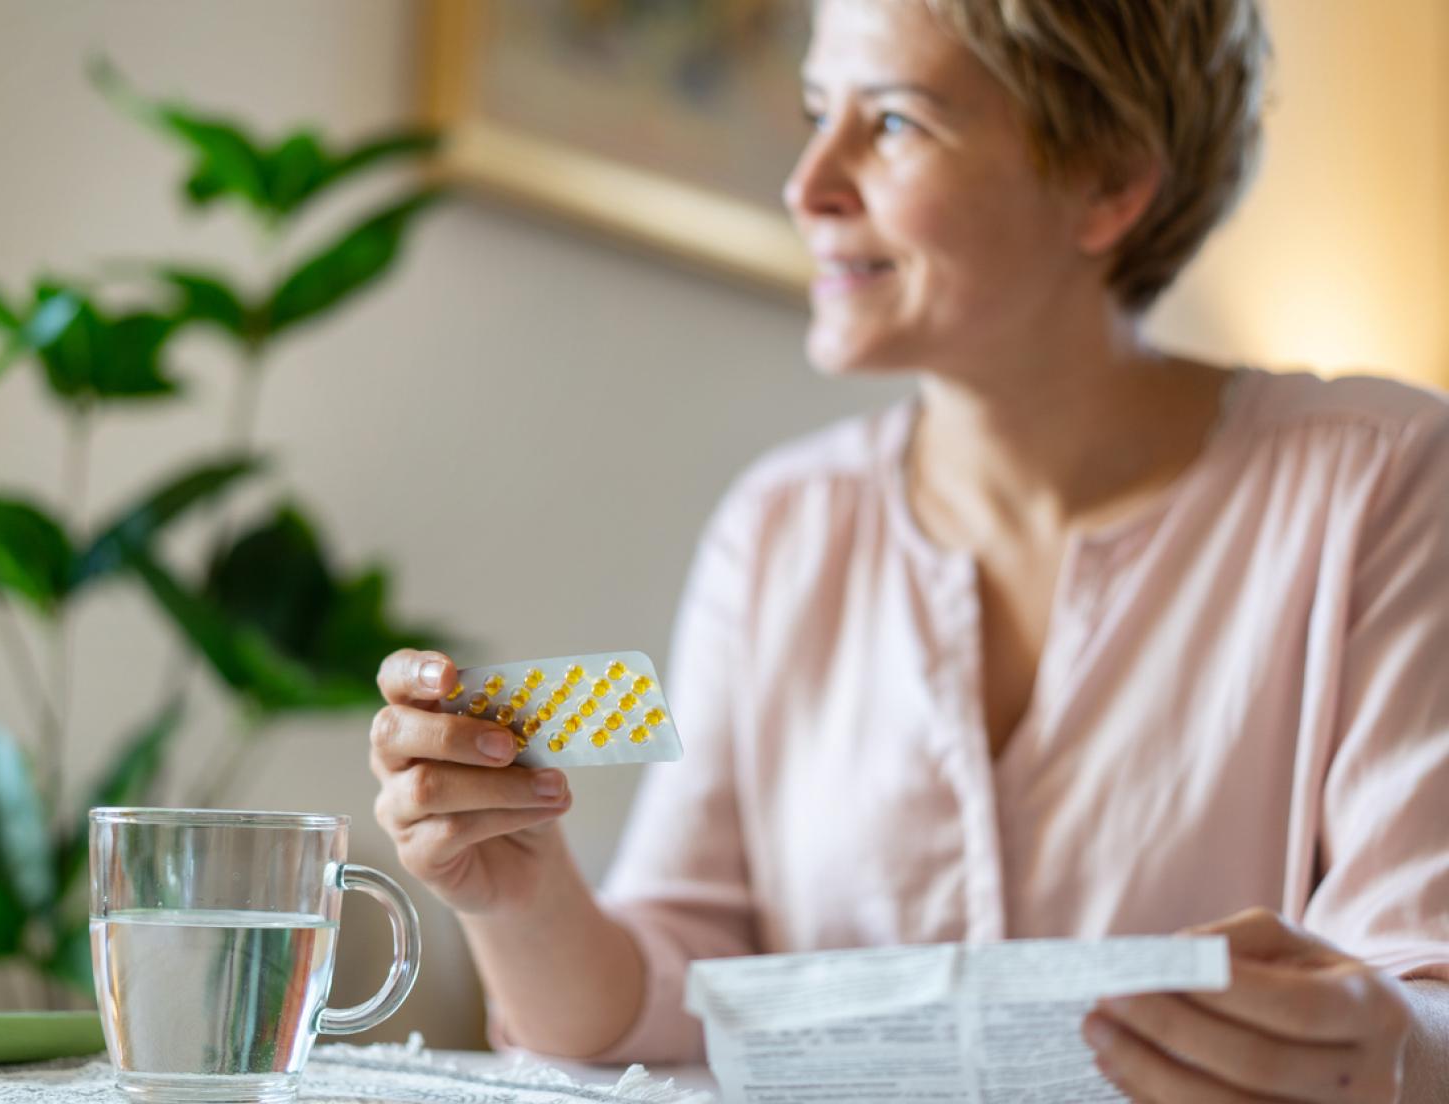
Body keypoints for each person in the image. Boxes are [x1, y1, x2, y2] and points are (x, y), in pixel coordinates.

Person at [369, 0, 1449, 1098]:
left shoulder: (1384, 480)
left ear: (1110, 182)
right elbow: (657, 1014)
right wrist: (521, 899)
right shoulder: (779, 528)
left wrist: (1395, 1042)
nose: (806, 185)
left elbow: (1421, 992)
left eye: (890, 124)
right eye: (811, 112)